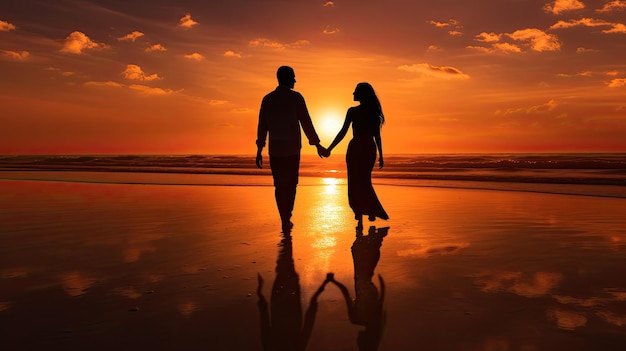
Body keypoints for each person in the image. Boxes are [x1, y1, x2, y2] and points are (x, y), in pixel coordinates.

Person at [256, 66, 327, 233]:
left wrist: (259, 149)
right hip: (292, 149)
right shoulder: (296, 98)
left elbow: (262, 126)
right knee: (291, 185)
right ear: (287, 78)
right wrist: (316, 144)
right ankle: (287, 217)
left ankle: (284, 218)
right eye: (293, 77)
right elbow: (306, 122)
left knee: (279, 186)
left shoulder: (268, 99)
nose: (295, 80)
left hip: (275, 149)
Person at [325, 82, 389, 228]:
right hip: (367, 148)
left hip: (357, 148)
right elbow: (376, 137)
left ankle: (361, 215)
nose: (353, 94)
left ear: (361, 94)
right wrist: (380, 154)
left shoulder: (353, 111)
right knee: (364, 182)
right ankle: (366, 211)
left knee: (356, 183)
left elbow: (342, 132)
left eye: (355, 92)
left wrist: (330, 148)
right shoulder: (371, 112)